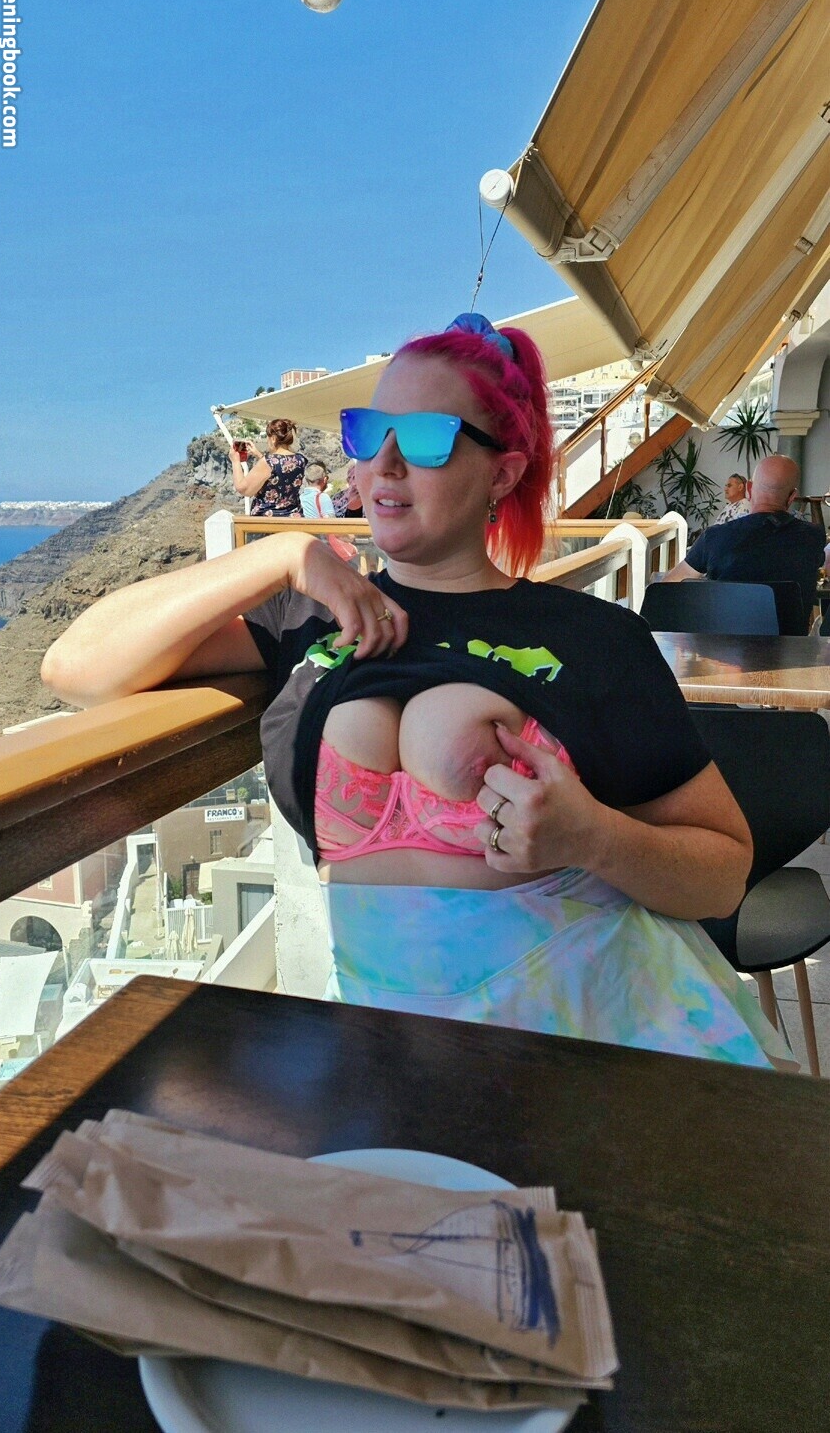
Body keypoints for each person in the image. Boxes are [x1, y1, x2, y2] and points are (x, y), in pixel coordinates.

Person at [40, 314, 791, 1071]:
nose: (386, 464)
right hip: (392, 1053)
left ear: (501, 474)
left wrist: (592, 838)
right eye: (369, 433)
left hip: (597, 1034)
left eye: (428, 439)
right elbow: (76, 668)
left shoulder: (592, 637)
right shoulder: (309, 617)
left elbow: (723, 876)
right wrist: (282, 557)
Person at [661, 454, 825, 629]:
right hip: (790, 644)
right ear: (792, 496)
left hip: (719, 644)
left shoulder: (715, 536)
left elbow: (666, 590)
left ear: (749, 488)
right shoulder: (813, 536)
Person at [230, 418, 306, 516]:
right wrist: (258, 455)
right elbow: (277, 469)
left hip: (268, 519)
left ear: (273, 438)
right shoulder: (300, 459)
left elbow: (244, 489)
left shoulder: (268, 461)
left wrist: (235, 461)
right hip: (293, 517)